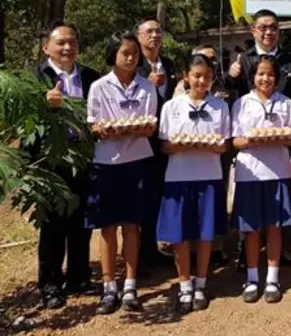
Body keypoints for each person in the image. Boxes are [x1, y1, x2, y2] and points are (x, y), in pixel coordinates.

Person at [86, 33, 158, 315]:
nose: (131, 57)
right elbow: (93, 124)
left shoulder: (146, 87)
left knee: (132, 225)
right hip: (106, 163)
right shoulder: (99, 87)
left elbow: (150, 125)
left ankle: (130, 285)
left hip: (137, 161)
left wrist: (133, 129)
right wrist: (104, 130)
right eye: (125, 52)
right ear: (113, 54)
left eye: (135, 53)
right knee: (107, 227)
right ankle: (108, 287)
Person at [34, 21, 101, 309]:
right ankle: (50, 284)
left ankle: (79, 277)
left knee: (80, 222)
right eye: (60, 42)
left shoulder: (90, 77)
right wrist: (42, 103)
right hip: (50, 161)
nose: (67, 47)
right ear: (45, 46)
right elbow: (20, 119)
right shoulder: (35, 78)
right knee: (52, 225)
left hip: (84, 158)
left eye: (72, 42)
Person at [156, 55, 230, 314]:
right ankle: (184, 284)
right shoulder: (171, 107)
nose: (202, 81)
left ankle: (202, 283)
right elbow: (165, 144)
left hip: (209, 175)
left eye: (207, 77)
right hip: (178, 177)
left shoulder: (220, 107)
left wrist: (213, 145)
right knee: (181, 235)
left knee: (205, 233)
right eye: (197, 75)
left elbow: (224, 144)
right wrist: (182, 145)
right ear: (186, 76)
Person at [231, 55, 291, 303]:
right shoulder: (242, 104)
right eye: (260, 74)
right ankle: (252, 276)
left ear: (277, 78)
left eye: (270, 74)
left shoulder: (286, 103)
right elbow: (234, 141)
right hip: (250, 173)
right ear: (252, 77)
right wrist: (250, 141)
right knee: (252, 229)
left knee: (275, 227)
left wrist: (280, 137)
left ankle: (272, 278)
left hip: (278, 172)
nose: (265, 78)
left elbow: (290, 137)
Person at [135, 19, 178, 268]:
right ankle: (137, 254)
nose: (155, 35)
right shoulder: (133, 64)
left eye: (158, 31)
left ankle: (152, 248)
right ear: (139, 36)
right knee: (140, 195)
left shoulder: (168, 64)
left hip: (165, 138)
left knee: (158, 194)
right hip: (139, 138)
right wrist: (147, 86)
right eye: (149, 31)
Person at [226, 9, 291, 103]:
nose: (268, 32)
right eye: (263, 28)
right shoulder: (242, 60)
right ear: (253, 31)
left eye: (273, 28)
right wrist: (231, 76)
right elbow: (227, 88)